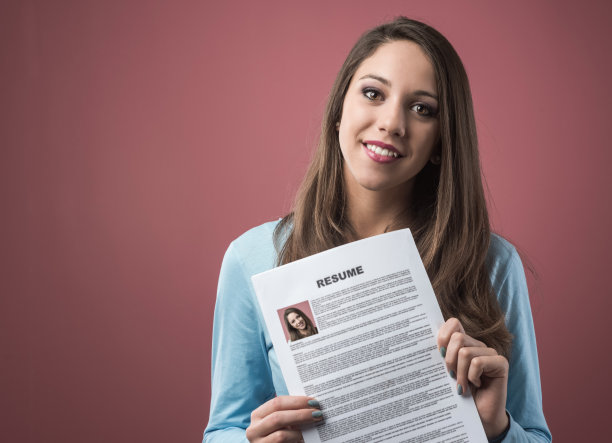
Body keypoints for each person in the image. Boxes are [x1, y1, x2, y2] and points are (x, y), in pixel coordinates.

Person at [204, 17, 551, 442]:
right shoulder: (250, 259)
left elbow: (534, 436)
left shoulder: (493, 265)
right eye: (373, 93)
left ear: (443, 141)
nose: (391, 122)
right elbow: (222, 429)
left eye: (422, 108)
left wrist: (495, 429)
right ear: (338, 111)